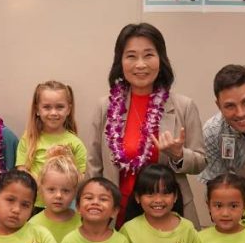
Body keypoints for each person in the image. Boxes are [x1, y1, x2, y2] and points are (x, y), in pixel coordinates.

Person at [88, 22, 205, 225]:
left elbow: (200, 161)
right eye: (131, 56)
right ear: (120, 61)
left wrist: (178, 155)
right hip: (117, 213)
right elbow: (94, 167)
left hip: (169, 215)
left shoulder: (184, 106)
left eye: (149, 55)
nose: (140, 64)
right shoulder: (105, 107)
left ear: (161, 59)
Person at [17, 81, 88, 209]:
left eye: (60, 107)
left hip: (65, 206)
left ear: (68, 109)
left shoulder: (76, 143)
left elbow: (82, 177)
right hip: (34, 204)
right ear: (37, 109)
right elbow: (22, 170)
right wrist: (43, 186)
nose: (54, 112)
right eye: (47, 107)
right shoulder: (29, 138)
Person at [28, 151, 82, 242]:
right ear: (41, 189)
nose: (58, 196)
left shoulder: (83, 224)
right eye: (51, 189)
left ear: (75, 192)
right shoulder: (33, 225)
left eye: (65, 191)